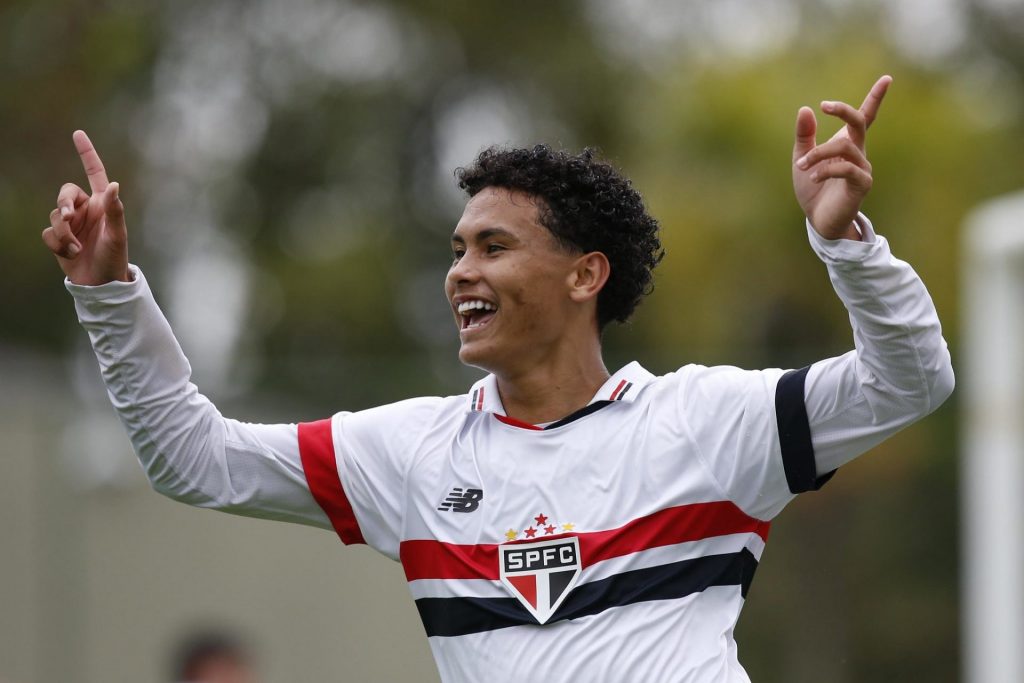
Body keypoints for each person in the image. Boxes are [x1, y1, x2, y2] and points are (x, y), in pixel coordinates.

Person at [43, 75, 953, 682]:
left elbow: (909, 379)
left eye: (494, 246)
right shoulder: (410, 453)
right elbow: (195, 458)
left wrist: (844, 246)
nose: (460, 273)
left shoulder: (706, 421)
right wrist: (110, 296)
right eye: (456, 250)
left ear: (585, 274)